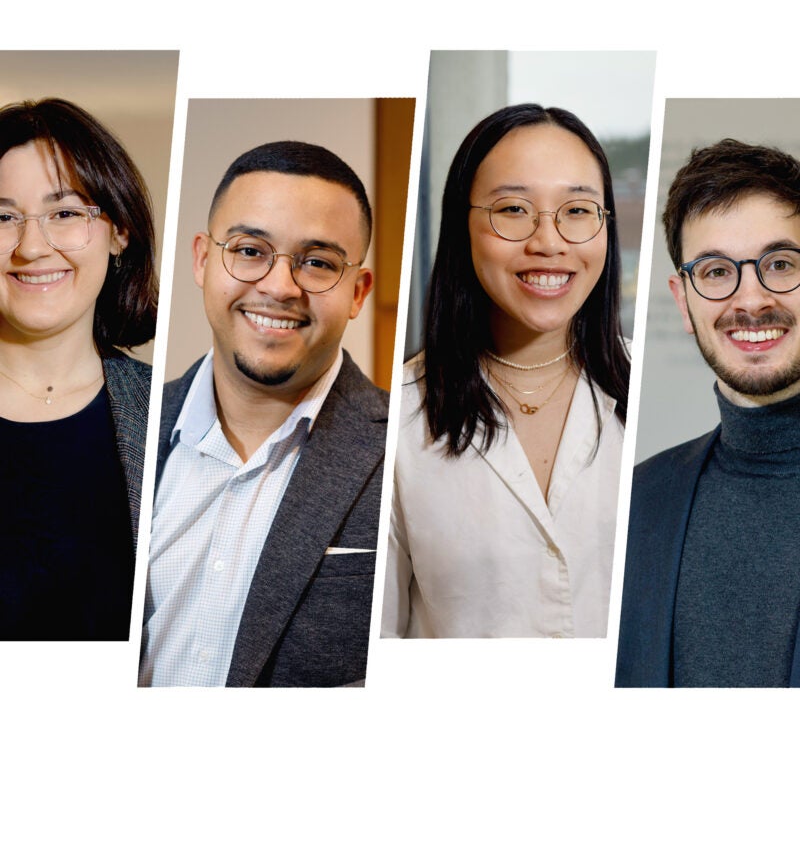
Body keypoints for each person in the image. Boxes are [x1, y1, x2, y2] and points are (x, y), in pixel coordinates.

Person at [139, 140, 387, 687]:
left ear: (357, 292)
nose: (279, 287)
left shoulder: (409, 458)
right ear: (204, 260)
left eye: (318, 263)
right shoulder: (126, 428)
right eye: (250, 251)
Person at [381, 103, 630, 638]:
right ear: (460, 225)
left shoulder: (643, 389)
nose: (548, 241)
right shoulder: (396, 417)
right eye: (513, 209)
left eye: (578, 210)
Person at [616, 139, 800, 688]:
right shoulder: (638, 502)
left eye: (781, 263)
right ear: (683, 300)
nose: (751, 300)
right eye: (717, 271)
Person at [0, 98, 158, 639]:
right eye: (3, 217)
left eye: (65, 213)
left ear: (119, 232)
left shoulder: (172, 419)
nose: (31, 247)